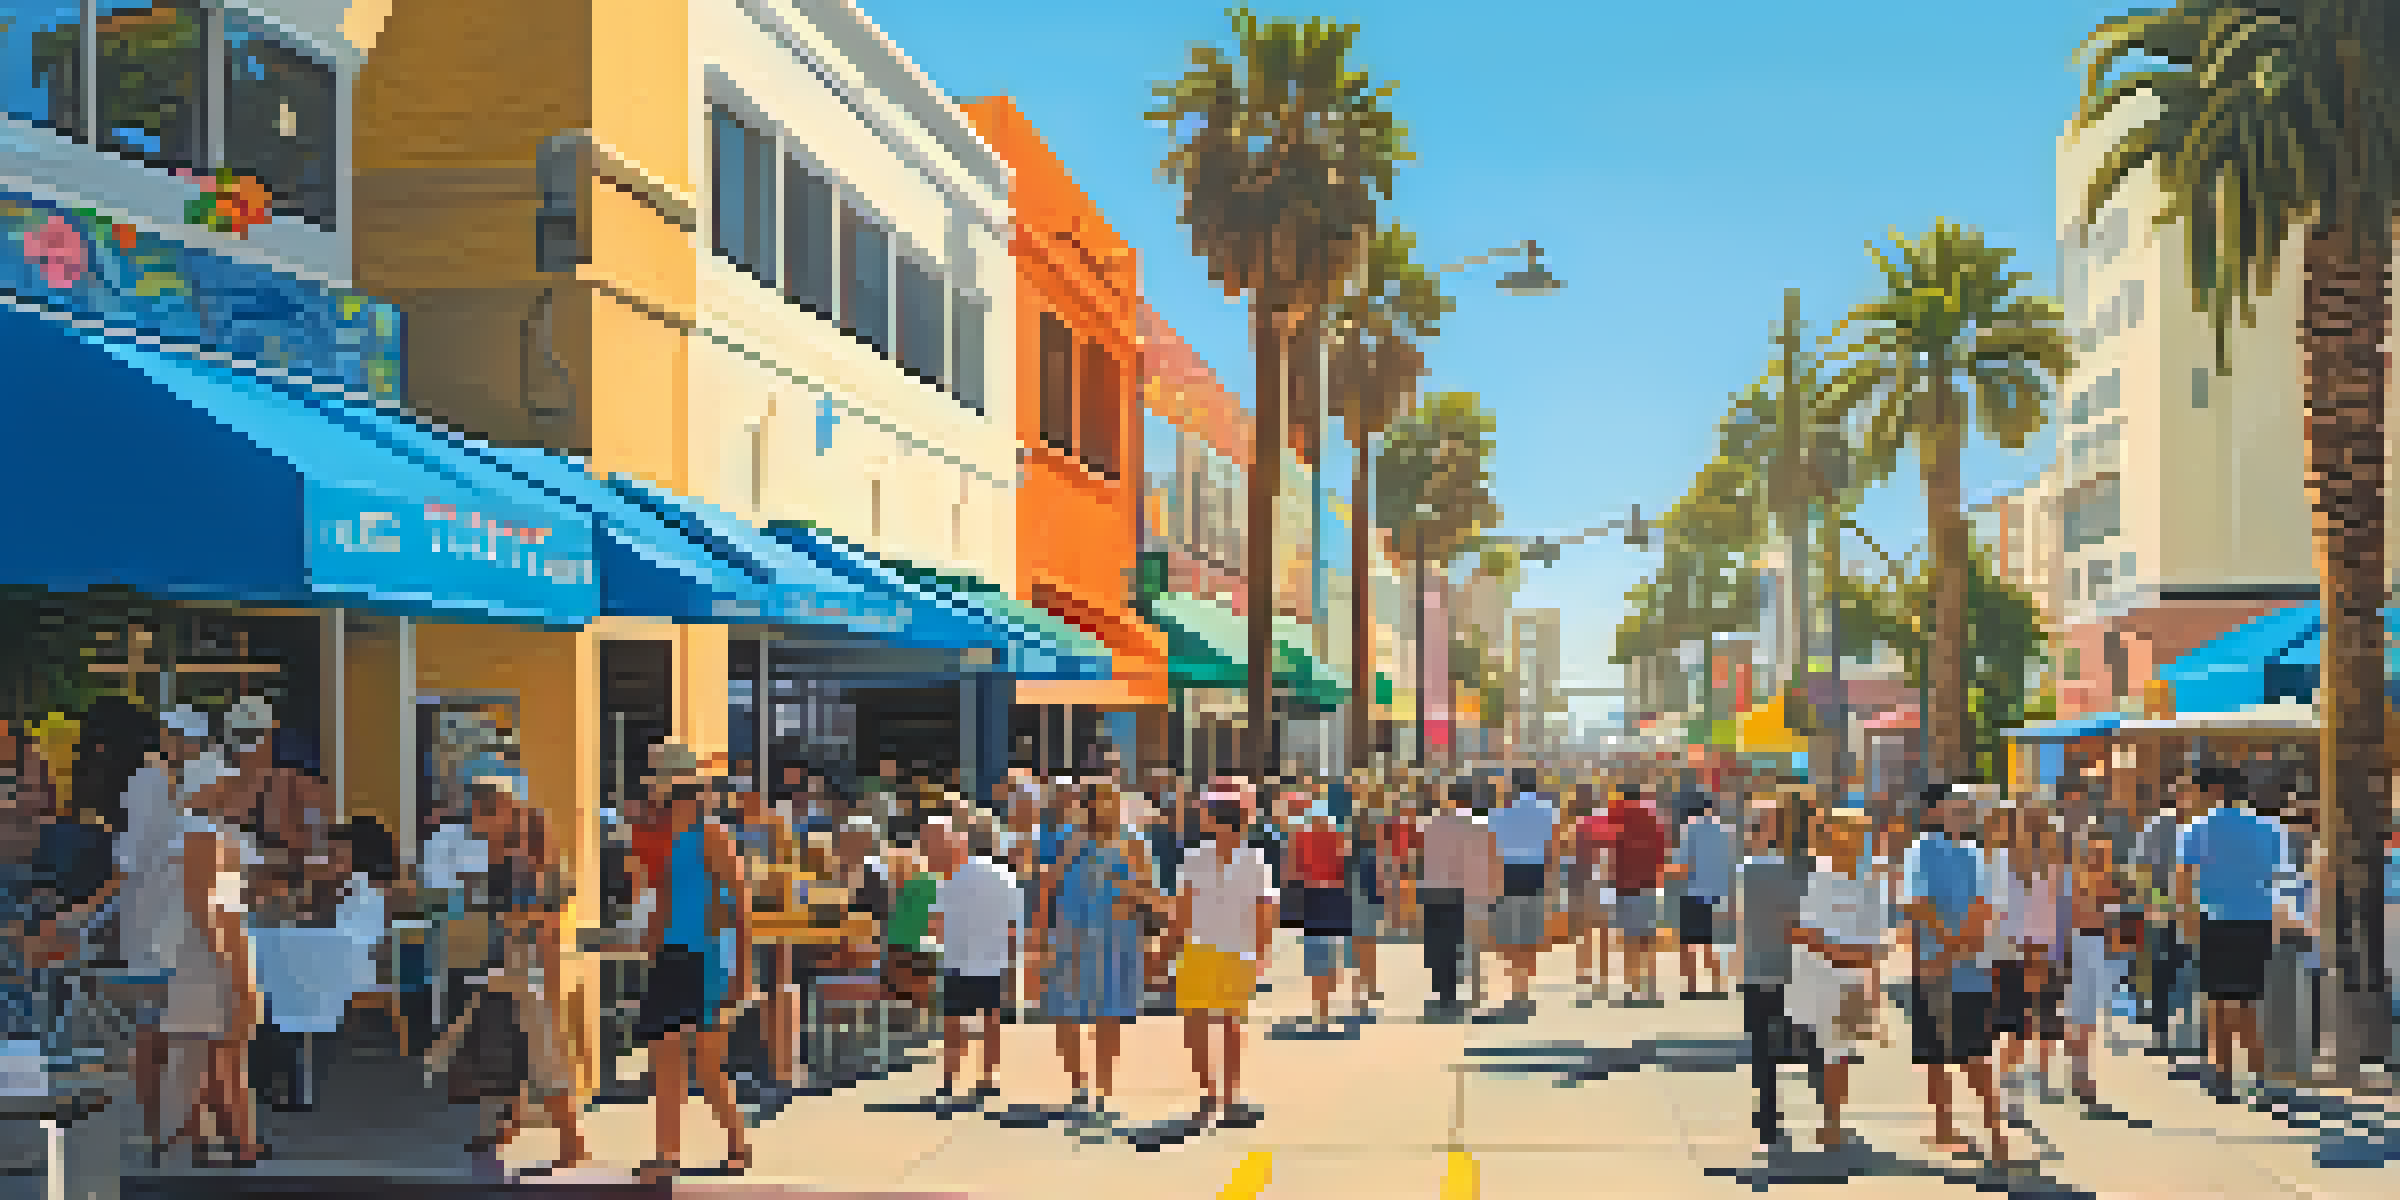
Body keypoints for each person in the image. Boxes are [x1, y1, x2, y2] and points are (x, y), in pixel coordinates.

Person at [634, 777, 753, 1183]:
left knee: (706, 1065)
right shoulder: (672, 841)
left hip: (706, 962)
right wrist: (652, 951)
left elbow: (740, 902)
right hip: (672, 961)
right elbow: (663, 903)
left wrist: (743, 970)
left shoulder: (713, 836)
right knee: (665, 1060)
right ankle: (666, 1155)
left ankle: (738, 1143)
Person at [163, 724, 265, 1167]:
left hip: (210, 948)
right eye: (224, 784)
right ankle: (238, 1140)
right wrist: (225, 961)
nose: (231, 792)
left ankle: (212, 1137)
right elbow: (201, 904)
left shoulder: (201, 832)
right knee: (224, 1049)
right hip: (214, 950)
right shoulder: (200, 833)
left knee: (211, 1050)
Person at [1033, 780, 1155, 1129]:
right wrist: (1039, 941)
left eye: (1111, 801)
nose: (1106, 808)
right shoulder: (1067, 839)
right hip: (1071, 937)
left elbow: (1149, 893)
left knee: (1109, 1017)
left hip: (1117, 940)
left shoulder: (1133, 842)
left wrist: (1133, 898)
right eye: (1099, 801)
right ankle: (1078, 1086)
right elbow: (1045, 887)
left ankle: (1102, 1091)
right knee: (1065, 1015)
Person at [1902, 783, 2007, 1163]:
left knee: (1972, 1055)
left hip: (1957, 969)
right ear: (1935, 812)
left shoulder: (1973, 854)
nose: (1963, 813)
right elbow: (1918, 905)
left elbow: (1982, 909)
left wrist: (1950, 948)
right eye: (1955, 807)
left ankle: (1994, 1135)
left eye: (1964, 807)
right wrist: (1953, 945)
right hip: (1943, 969)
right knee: (1938, 1056)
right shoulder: (1921, 850)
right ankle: (1945, 1128)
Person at [2176, 764, 2286, 1103]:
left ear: (2212, 792)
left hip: (2216, 920)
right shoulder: (2268, 827)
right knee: (2249, 1003)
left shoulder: (2196, 829)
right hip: (2257, 920)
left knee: (2217, 1003)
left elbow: (2183, 882)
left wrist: (2187, 926)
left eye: (2196, 790)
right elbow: (2276, 877)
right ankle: (2259, 1078)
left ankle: (2222, 1077)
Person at [1789, 807, 1889, 1150]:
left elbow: (1876, 945)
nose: (1850, 841)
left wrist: (1874, 997)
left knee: (1838, 1054)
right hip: (1808, 979)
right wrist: (1841, 953)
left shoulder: (1872, 882)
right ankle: (1819, 1119)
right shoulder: (1811, 877)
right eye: (1843, 832)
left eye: (1858, 834)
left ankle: (1831, 1122)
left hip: (1847, 983)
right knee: (1817, 1053)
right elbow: (1796, 930)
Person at [1174, 792, 1274, 1127]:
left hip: (1198, 948)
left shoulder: (1194, 857)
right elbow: (1264, 911)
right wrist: (1262, 953)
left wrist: (1169, 946)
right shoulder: (1254, 859)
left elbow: (1182, 910)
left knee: (1197, 1024)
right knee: (1230, 1025)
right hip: (1237, 951)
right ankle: (1229, 1098)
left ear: (1217, 818)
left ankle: (1209, 1093)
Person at [1734, 803, 1810, 1152]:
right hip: (1790, 969)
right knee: (1792, 1041)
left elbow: (1735, 918)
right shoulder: (1795, 872)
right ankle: (1818, 1105)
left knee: (1762, 1048)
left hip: (1757, 969)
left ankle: (1767, 1115)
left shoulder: (1747, 870)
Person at [930, 816, 1020, 1105]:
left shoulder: (953, 878)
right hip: (993, 962)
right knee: (991, 1024)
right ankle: (986, 1080)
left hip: (957, 960)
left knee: (953, 1025)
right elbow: (1015, 925)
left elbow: (936, 923)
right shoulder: (1006, 877)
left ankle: (948, 1079)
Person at [2065, 827, 2135, 1111]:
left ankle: (2082, 1076)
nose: (2099, 858)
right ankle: (2080, 1078)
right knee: (2079, 1017)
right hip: (2077, 946)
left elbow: (2117, 920)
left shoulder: (2109, 882)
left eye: (2103, 853)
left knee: (2087, 1019)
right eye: (2094, 852)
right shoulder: (2074, 880)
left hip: (2098, 949)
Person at [1419, 779, 1496, 1019]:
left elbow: (1421, 855)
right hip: (1455, 889)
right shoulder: (1471, 823)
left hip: (1431, 887)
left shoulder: (1431, 822)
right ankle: (1449, 995)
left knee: (1435, 942)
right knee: (1452, 942)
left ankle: (1440, 991)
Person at [1485, 768, 1558, 1016]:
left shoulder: (1499, 813)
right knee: (1529, 937)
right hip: (1535, 875)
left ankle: (1516, 991)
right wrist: (1552, 881)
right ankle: (1524, 992)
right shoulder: (1547, 811)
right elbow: (1553, 848)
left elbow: (1491, 851)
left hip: (1507, 875)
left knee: (1509, 939)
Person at [1603, 785, 1671, 1005]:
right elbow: (1662, 853)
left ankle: (1633, 988)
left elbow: (1608, 851)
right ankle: (1649, 988)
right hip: (1649, 885)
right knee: (1647, 939)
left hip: (1623, 885)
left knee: (1629, 940)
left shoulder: (1617, 817)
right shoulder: (1653, 819)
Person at [1288, 793, 1352, 1026]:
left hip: (1314, 896)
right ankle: (1326, 1004)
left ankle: (1321, 1010)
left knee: (1317, 953)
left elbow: (1294, 871)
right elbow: (1344, 865)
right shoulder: (1338, 837)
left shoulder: (1301, 837)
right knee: (1331, 950)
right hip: (1335, 894)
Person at [1670, 793, 1734, 998]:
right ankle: (1717, 986)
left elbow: (1683, 865)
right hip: (1718, 895)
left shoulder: (1691, 828)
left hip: (1694, 892)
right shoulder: (1724, 830)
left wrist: (1667, 874)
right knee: (1710, 943)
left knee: (1687, 944)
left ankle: (1691, 988)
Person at [1572, 784, 1619, 1003]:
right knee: (1604, 933)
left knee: (1585, 933)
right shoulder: (1609, 823)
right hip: (1606, 880)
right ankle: (1603, 977)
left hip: (1585, 881)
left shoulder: (1580, 825)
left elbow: (1577, 857)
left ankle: (1584, 977)